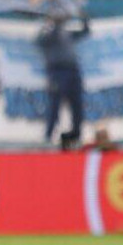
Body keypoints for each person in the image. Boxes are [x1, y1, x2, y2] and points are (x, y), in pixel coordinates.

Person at [36, 11, 90, 151]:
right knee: (55, 106)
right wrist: (52, 24)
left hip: (73, 71)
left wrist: (83, 17)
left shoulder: (67, 33)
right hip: (57, 72)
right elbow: (39, 42)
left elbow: (85, 32)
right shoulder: (49, 35)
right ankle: (49, 135)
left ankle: (76, 135)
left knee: (77, 105)